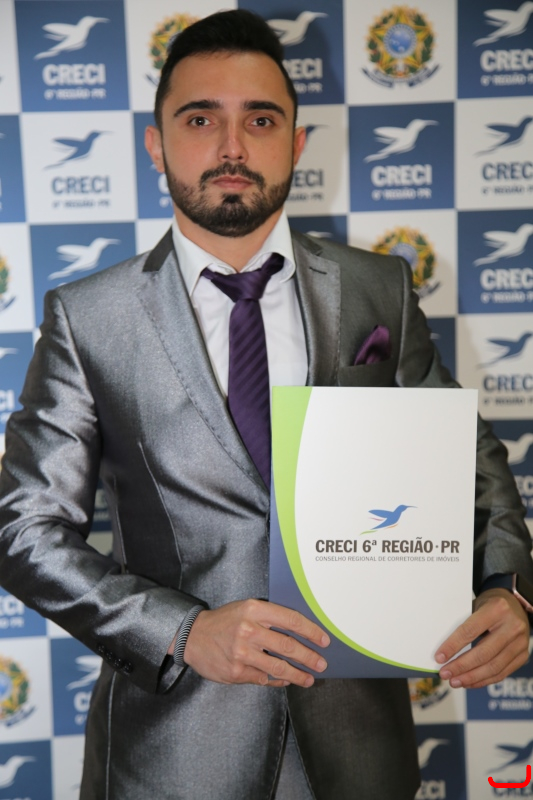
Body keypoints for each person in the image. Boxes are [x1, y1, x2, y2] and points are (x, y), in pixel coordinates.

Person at [0, 10, 531, 800]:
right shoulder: (89, 317)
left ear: (296, 141)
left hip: (360, 746)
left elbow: (462, 458)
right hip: (171, 752)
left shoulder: (377, 288)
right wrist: (181, 632)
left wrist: (506, 585)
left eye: (259, 119)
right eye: (199, 119)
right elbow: (25, 530)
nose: (231, 147)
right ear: (155, 145)